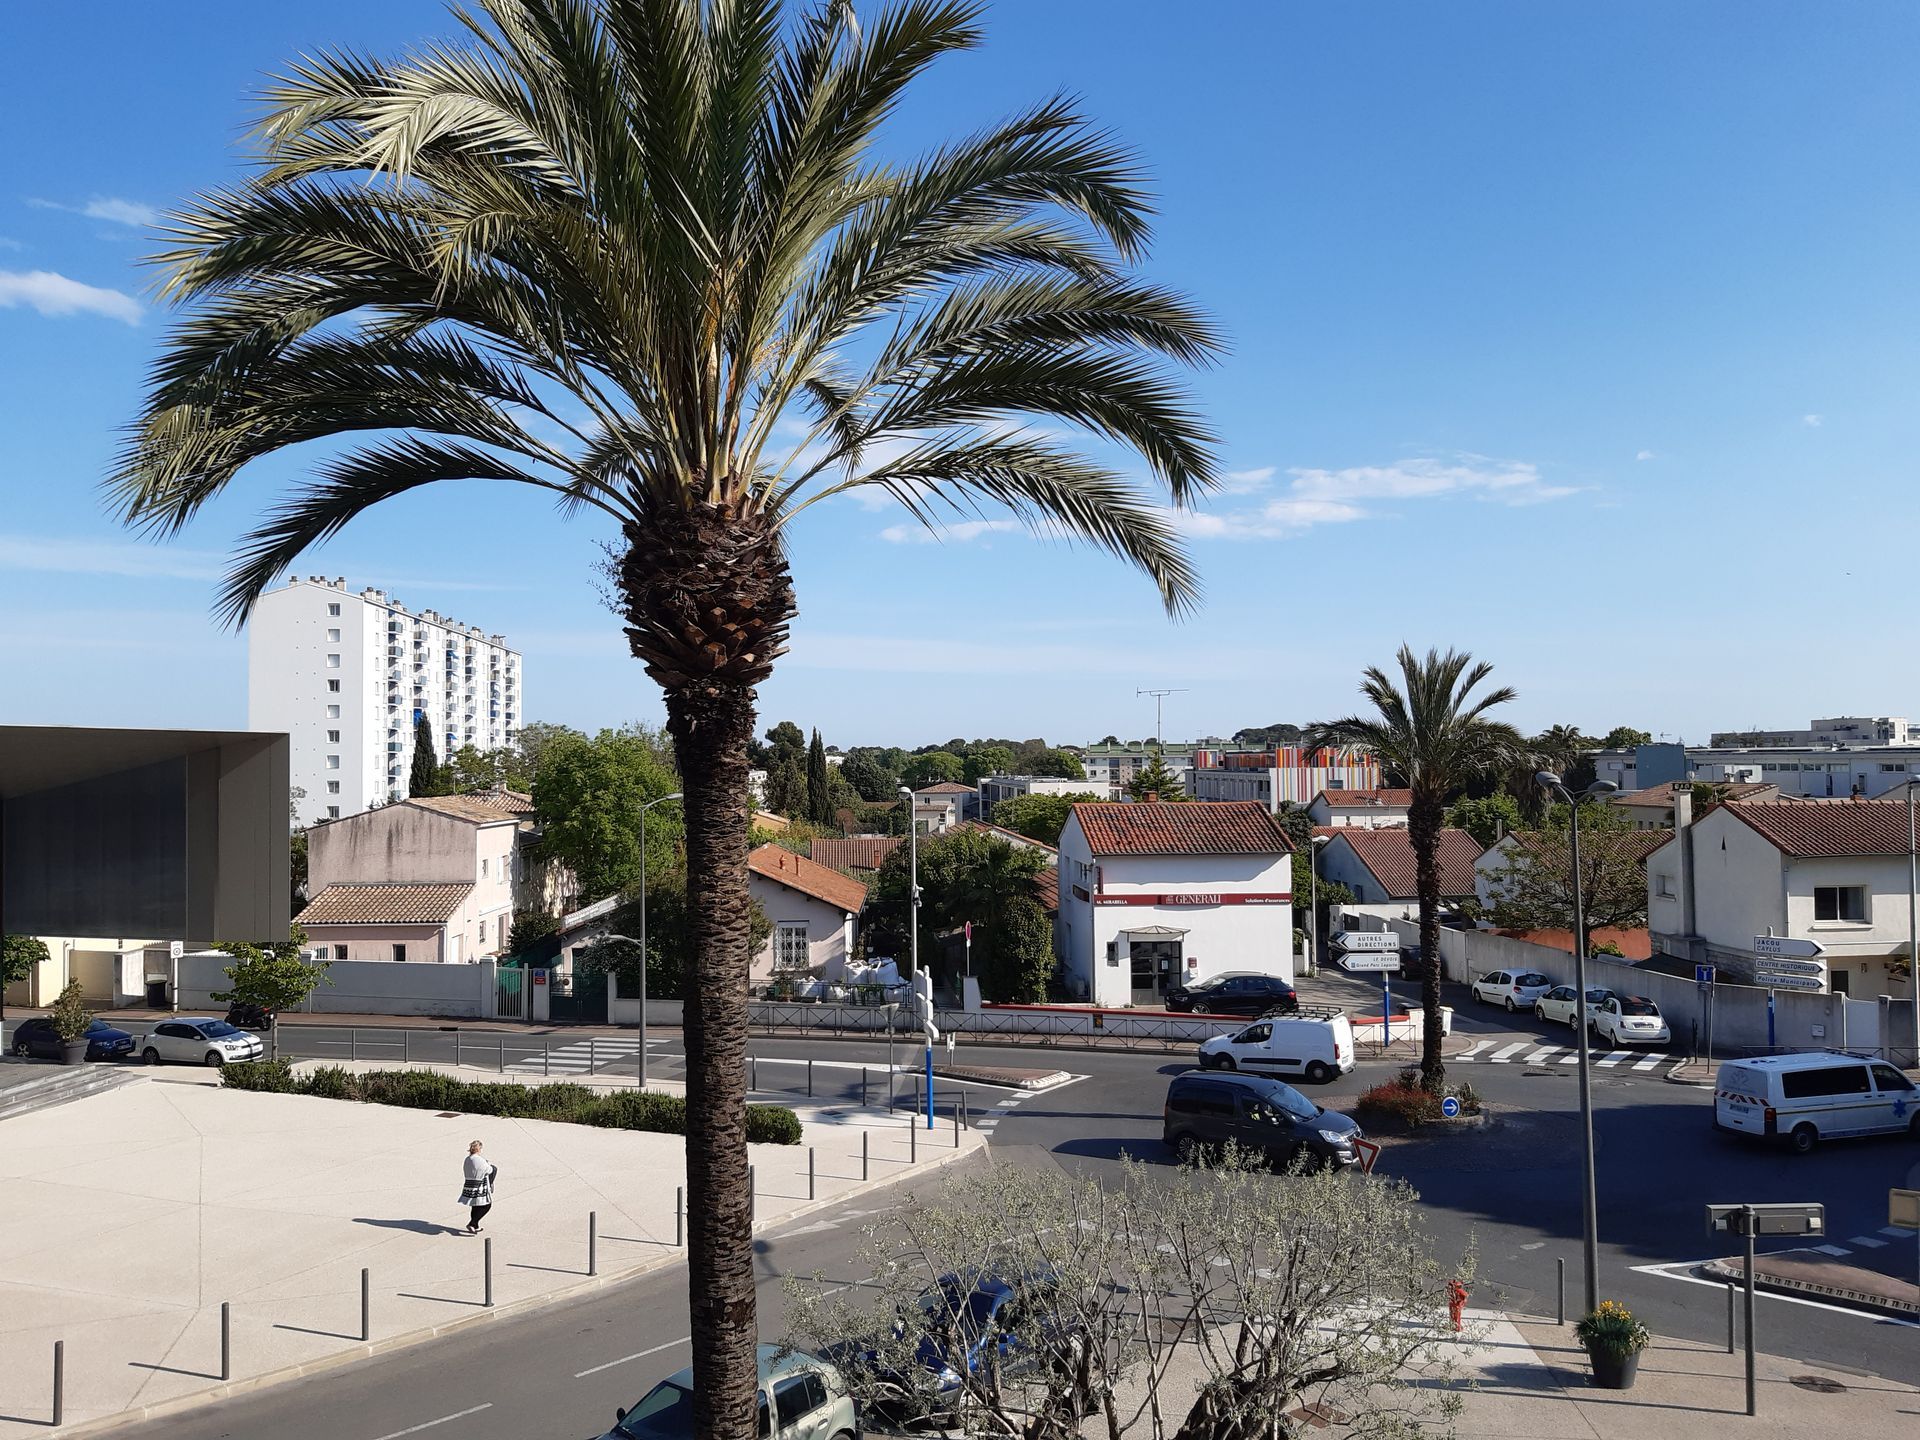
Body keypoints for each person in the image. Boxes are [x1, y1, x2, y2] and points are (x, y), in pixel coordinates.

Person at [459, 1140, 497, 1233]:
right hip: (478, 1185)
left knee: (475, 1205)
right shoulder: (478, 1159)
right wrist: (488, 1163)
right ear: (479, 1149)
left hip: (469, 1184)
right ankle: (472, 1223)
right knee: (487, 1205)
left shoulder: (467, 1159)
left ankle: (475, 1226)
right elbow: (489, 1170)